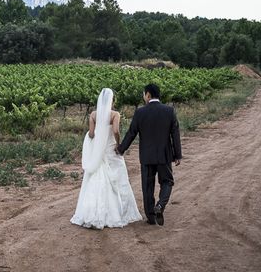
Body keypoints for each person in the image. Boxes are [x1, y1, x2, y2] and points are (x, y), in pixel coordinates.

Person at [70, 88, 143, 229]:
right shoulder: (115, 114)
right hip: (111, 149)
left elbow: (91, 134)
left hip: (100, 151)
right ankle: (119, 211)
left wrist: (94, 140)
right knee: (118, 178)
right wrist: (118, 143)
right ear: (112, 100)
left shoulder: (93, 115)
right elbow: (115, 130)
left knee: (97, 178)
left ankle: (91, 212)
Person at [115, 83, 182, 226]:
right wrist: (177, 154)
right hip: (164, 155)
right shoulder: (169, 111)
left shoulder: (140, 112)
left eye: (144, 94)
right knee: (167, 182)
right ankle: (160, 205)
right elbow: (175, 133)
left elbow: (131, 133)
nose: (143, 97)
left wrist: (121, 149)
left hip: (146, 156)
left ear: (148, 95)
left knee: (147, 186)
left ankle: (151, 217)